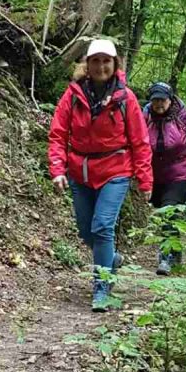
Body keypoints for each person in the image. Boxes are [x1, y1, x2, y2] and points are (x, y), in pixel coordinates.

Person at [48, 39, 153, 310]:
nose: (101, 66)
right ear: (87, 64)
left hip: (115, 170)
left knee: (103, 226)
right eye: (96, 61)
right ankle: (111, 260)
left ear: (115, 64)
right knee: (87, 232)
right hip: (80, 172)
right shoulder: (73, 95)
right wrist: (57, 168)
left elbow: (140, 141)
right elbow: (58, 133)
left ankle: (102, 286)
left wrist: (145, 179)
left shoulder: (125, 97)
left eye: (106, 61)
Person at [144, 81, 186, 275]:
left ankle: (166, 258)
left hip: (182, 172)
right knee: (163, 210)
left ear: (170, 99)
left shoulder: (183, 116)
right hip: (156, 174)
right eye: (155, 100)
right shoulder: (145, 116)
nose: (158, 104)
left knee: (168, 211)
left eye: (162, 100)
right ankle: (176, 250)